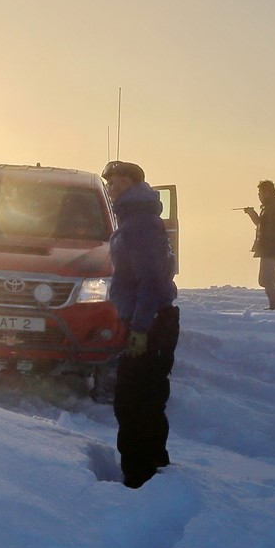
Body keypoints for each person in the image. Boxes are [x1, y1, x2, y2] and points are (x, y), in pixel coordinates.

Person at [102, 160, 179, 489]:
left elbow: (151, 280)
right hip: (146, 320)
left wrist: (139, 329)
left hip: (149, 323)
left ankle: (138, 477)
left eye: (117, 181)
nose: (111, 186)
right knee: (147, 396)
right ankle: (154, 465)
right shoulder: (134, 219)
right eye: (109, 182)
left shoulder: (141, 224)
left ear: (133, 183)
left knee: (132, 400)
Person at [243, 179, 275, 310]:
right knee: (267, 279)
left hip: (271, 249)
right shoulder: (269, 207)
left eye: (260, 192)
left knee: (268, 279)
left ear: (267, 192)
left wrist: (252, 214)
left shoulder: (272, 207)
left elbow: (265, 226)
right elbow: (262, 224)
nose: (259, 195)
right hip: (270, 249)